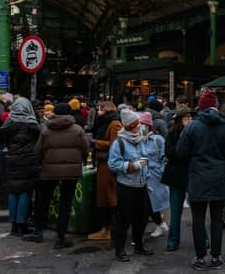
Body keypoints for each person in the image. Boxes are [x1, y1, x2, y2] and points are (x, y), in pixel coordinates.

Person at [177, 90, 225, 271]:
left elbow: (180, 152)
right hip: (218, 177)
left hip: (197, 177)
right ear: (216, 107)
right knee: (217, 220)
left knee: (198, 219)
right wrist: (223, 166)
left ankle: (201, 257)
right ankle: (217, 257)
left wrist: (193, 163)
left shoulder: (192, 127)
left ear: (201, 107)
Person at [23, 103, 89, 247]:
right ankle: (61, 236)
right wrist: (80, 160)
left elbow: (38, 151)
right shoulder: (77, 130)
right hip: (71, 171)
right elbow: (86, 148)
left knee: (43, 200)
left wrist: (41, 163)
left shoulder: (46, 130)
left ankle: (38, 231)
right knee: (66, 202)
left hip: (49, 170)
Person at [108, 109, 154, 262]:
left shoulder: (141, 138)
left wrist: (146, 173)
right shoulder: (119, 142)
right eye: (136, 124)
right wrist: (131, 166)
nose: (139, 126)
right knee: (123, 219)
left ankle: (139, 245)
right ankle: (119, 250)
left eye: (139, 123)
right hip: (126, 186)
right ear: (129, 126)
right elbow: (113, 164)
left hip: (141, 185)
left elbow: (146, 157)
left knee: (141, 218)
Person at [0, 97, 40, 236]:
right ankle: (21, 223)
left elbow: (2, 139)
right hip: (28, 160)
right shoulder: (33, 124)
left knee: (13, 191)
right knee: (25, 191)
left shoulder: (8, 124)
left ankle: (13, 224)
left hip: (12, 159)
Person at [89, 101, 123, 241]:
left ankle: (108, 229)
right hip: (104, 164)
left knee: (108, 198)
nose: (97, 112)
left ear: (105, 109)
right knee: (106, 197)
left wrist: (95, 143)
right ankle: (108, 228)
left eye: (99, 109)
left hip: (108, 165)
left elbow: (115, 144)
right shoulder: (106, 122)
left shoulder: (114, 124)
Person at [161, 106, 193, 251]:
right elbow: (171, 154)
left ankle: (203, 239)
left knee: (198, 210)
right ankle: (173, 239)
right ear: (180, 120)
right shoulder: (172, 134)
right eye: (187, 117)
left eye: (191, 117)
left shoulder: (195, 133)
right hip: (176, 175)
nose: (190, 120)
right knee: (175, 210)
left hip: (192, 175)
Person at [138, 112, 170, 238]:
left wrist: (162, 171)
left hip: (154, 176)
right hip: (141, 175)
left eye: (142, 124)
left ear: (148, 125)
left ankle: (158, 225)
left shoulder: (158, 139)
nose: (139, 126)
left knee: (152, 203)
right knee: (146, 204)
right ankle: (160, 224)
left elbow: (165, 157)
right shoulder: (138, 140)